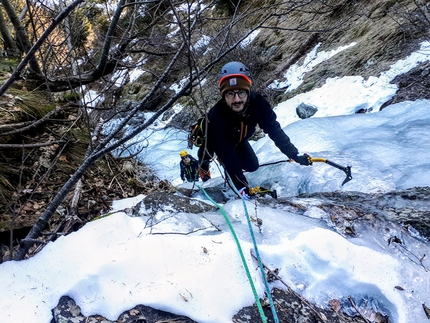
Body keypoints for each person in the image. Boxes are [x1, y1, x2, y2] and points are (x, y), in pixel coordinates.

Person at [197, 61, 310, 199]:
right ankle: (203, 168)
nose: (237, 99)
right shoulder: (216, 117)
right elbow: (228, 155)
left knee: (252, 166)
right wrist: (242, 188)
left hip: (238, 139)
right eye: (230, 94)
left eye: (241, 93)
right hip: (215, 142)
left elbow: (274, 130)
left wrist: (294, 154)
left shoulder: (258, 104)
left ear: (248, 91)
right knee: (208, 157)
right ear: (223, 95)